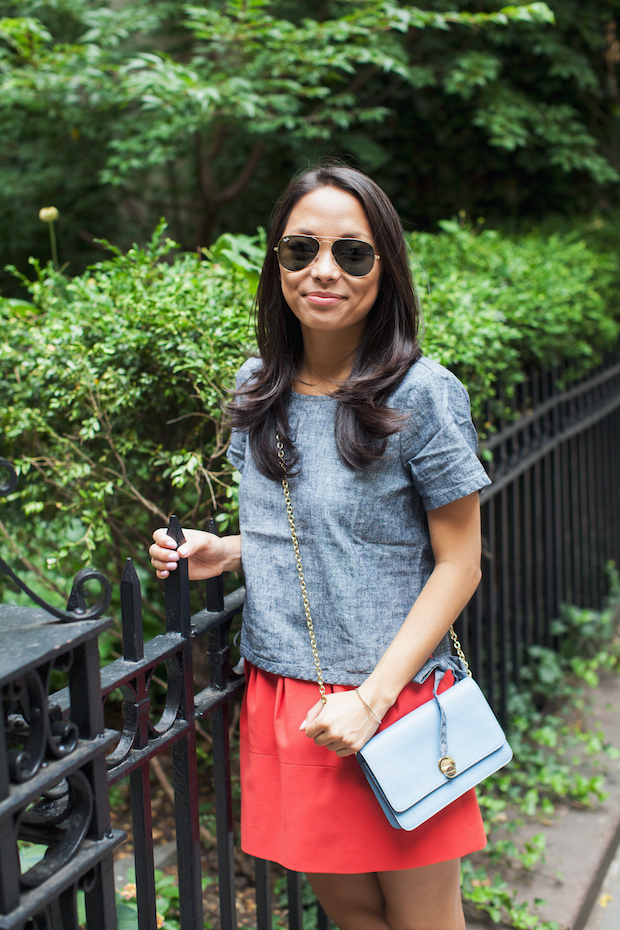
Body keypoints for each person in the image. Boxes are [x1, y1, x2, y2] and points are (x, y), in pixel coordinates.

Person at [149, 164, 491, 930]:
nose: (323, 271)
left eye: (352, 253)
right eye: (301, 250)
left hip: (393, 697)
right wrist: (228, 549)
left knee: (422, 921)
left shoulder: (423, 394)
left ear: (385, 268)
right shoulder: (258, 387)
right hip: (287, 698)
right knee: (349, 913)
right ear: (277, 264)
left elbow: (459, 562)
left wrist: (372, 702)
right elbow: (314, 527)